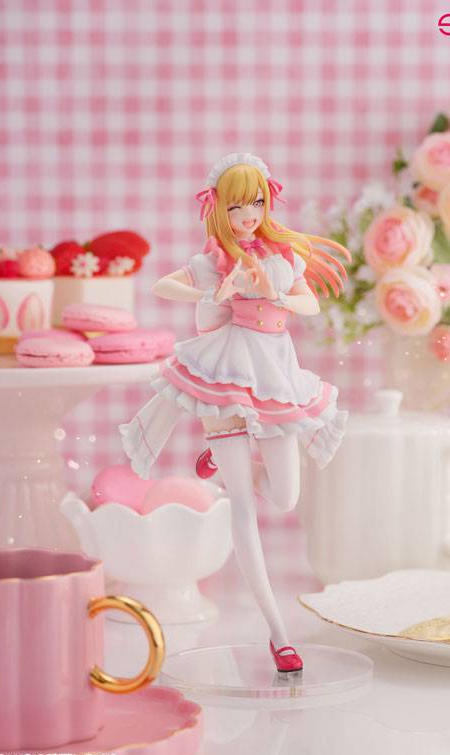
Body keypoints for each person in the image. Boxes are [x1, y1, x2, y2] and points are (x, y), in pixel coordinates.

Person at [120, 153, 350, 672]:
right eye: (236, 206)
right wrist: (213, 289)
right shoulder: (216, 258)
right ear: (218, 208)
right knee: (243, 508)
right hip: (224, 370)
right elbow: (162, 285)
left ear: (268, 203)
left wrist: (277, 294)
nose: (247, 215)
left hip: (275, 372)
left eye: (256, 203)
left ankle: (221, 465)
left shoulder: (283, 255)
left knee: (286, 496)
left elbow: (310, 304)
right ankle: (278, 633)